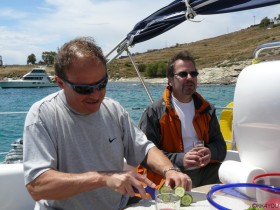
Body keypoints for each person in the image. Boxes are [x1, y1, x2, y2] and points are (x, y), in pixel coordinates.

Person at [23, 37, 191, 210]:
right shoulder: (43, 115)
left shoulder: (113, 109)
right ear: (60, 83)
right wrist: (103, 178)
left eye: (102, 84)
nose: (96, 95)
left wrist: (170, 170)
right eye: (84, 89)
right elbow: (37, 186)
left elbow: (144, 149)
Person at [138, 50, 227, 188]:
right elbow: (145, 153)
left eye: (193, 73)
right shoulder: (154, 112)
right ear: (170, 80)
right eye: (183, 74)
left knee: (234, 181)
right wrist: (181, 160)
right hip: (172, 173)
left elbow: (221, 147)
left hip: (205, 172)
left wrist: (210, 152)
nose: (190, 77)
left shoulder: (207, 109)